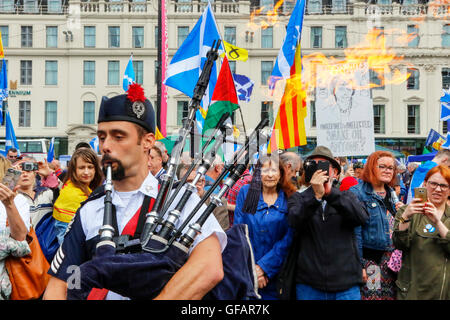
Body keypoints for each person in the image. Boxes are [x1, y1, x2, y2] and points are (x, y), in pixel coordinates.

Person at [43, 84, 226, 300]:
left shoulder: (179, 199)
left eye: (118, 137)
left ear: (148, 141)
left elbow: (209, 267)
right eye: (102, 137)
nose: (105, 146)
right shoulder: (90, 209)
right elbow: (61, 284)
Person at [288, 146, 368, 300]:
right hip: (310, 285)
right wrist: (316, 197)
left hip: (346, 285)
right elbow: (294, 221)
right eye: (313, 166)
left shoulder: (347, 195)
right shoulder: (298, 198)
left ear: (335, 172)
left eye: (323, 166)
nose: (319, 170)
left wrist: (330, 194)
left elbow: (361, 218)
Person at [234, 155, 296, 300]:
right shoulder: (247, 193)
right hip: (247, 272)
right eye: (265, 170)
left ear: (280, 174)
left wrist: (264, 268)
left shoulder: (289, 197)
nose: (269, 175)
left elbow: (288, 238)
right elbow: (240, 232)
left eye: (273, 170)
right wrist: (253, 269)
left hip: (277, 275)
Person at [349, 151, 404, 300]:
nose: (387, 171)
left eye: (391, 168)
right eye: (382, 166)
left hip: (392, 262)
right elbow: (355, 234)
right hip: (372, 261)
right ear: (372, 167)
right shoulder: (358, 193)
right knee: (373, 297)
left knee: (390, 297)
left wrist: (402, 213)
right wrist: (360, 265)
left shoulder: (391, 192)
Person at [393, 165, 450, 300]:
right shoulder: (407, 211)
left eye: (443, 185)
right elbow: (398, 243)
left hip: (443, 291)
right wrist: (405, 217)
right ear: (425, 184)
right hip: (413, 291)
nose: (437, 189)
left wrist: (437, 222)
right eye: (433, 183)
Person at [52, 148, 103, 245]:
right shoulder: (72, 193)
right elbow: (66, 241)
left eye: (90, 167)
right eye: (82, 168)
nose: (86, 172)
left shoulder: (86, 187)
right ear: (74, 170)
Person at [178, 164, 229, 231]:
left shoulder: (217, 203)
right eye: (190, 181)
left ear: (203, 182)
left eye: (198, 181)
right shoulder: (175, 199)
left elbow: (220, 235)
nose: (194, 186)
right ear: (180, 182)